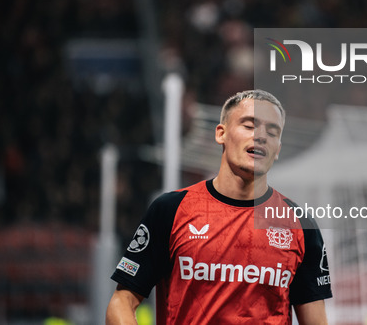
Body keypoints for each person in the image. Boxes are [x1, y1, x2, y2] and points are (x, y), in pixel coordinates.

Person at [106, 89, 332, 324]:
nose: (261, 136)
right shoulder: (171, 210)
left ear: (278, 150)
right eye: (249, 125)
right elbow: (121, 302)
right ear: (221, 133)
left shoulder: (299, 224)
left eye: (272, 132)